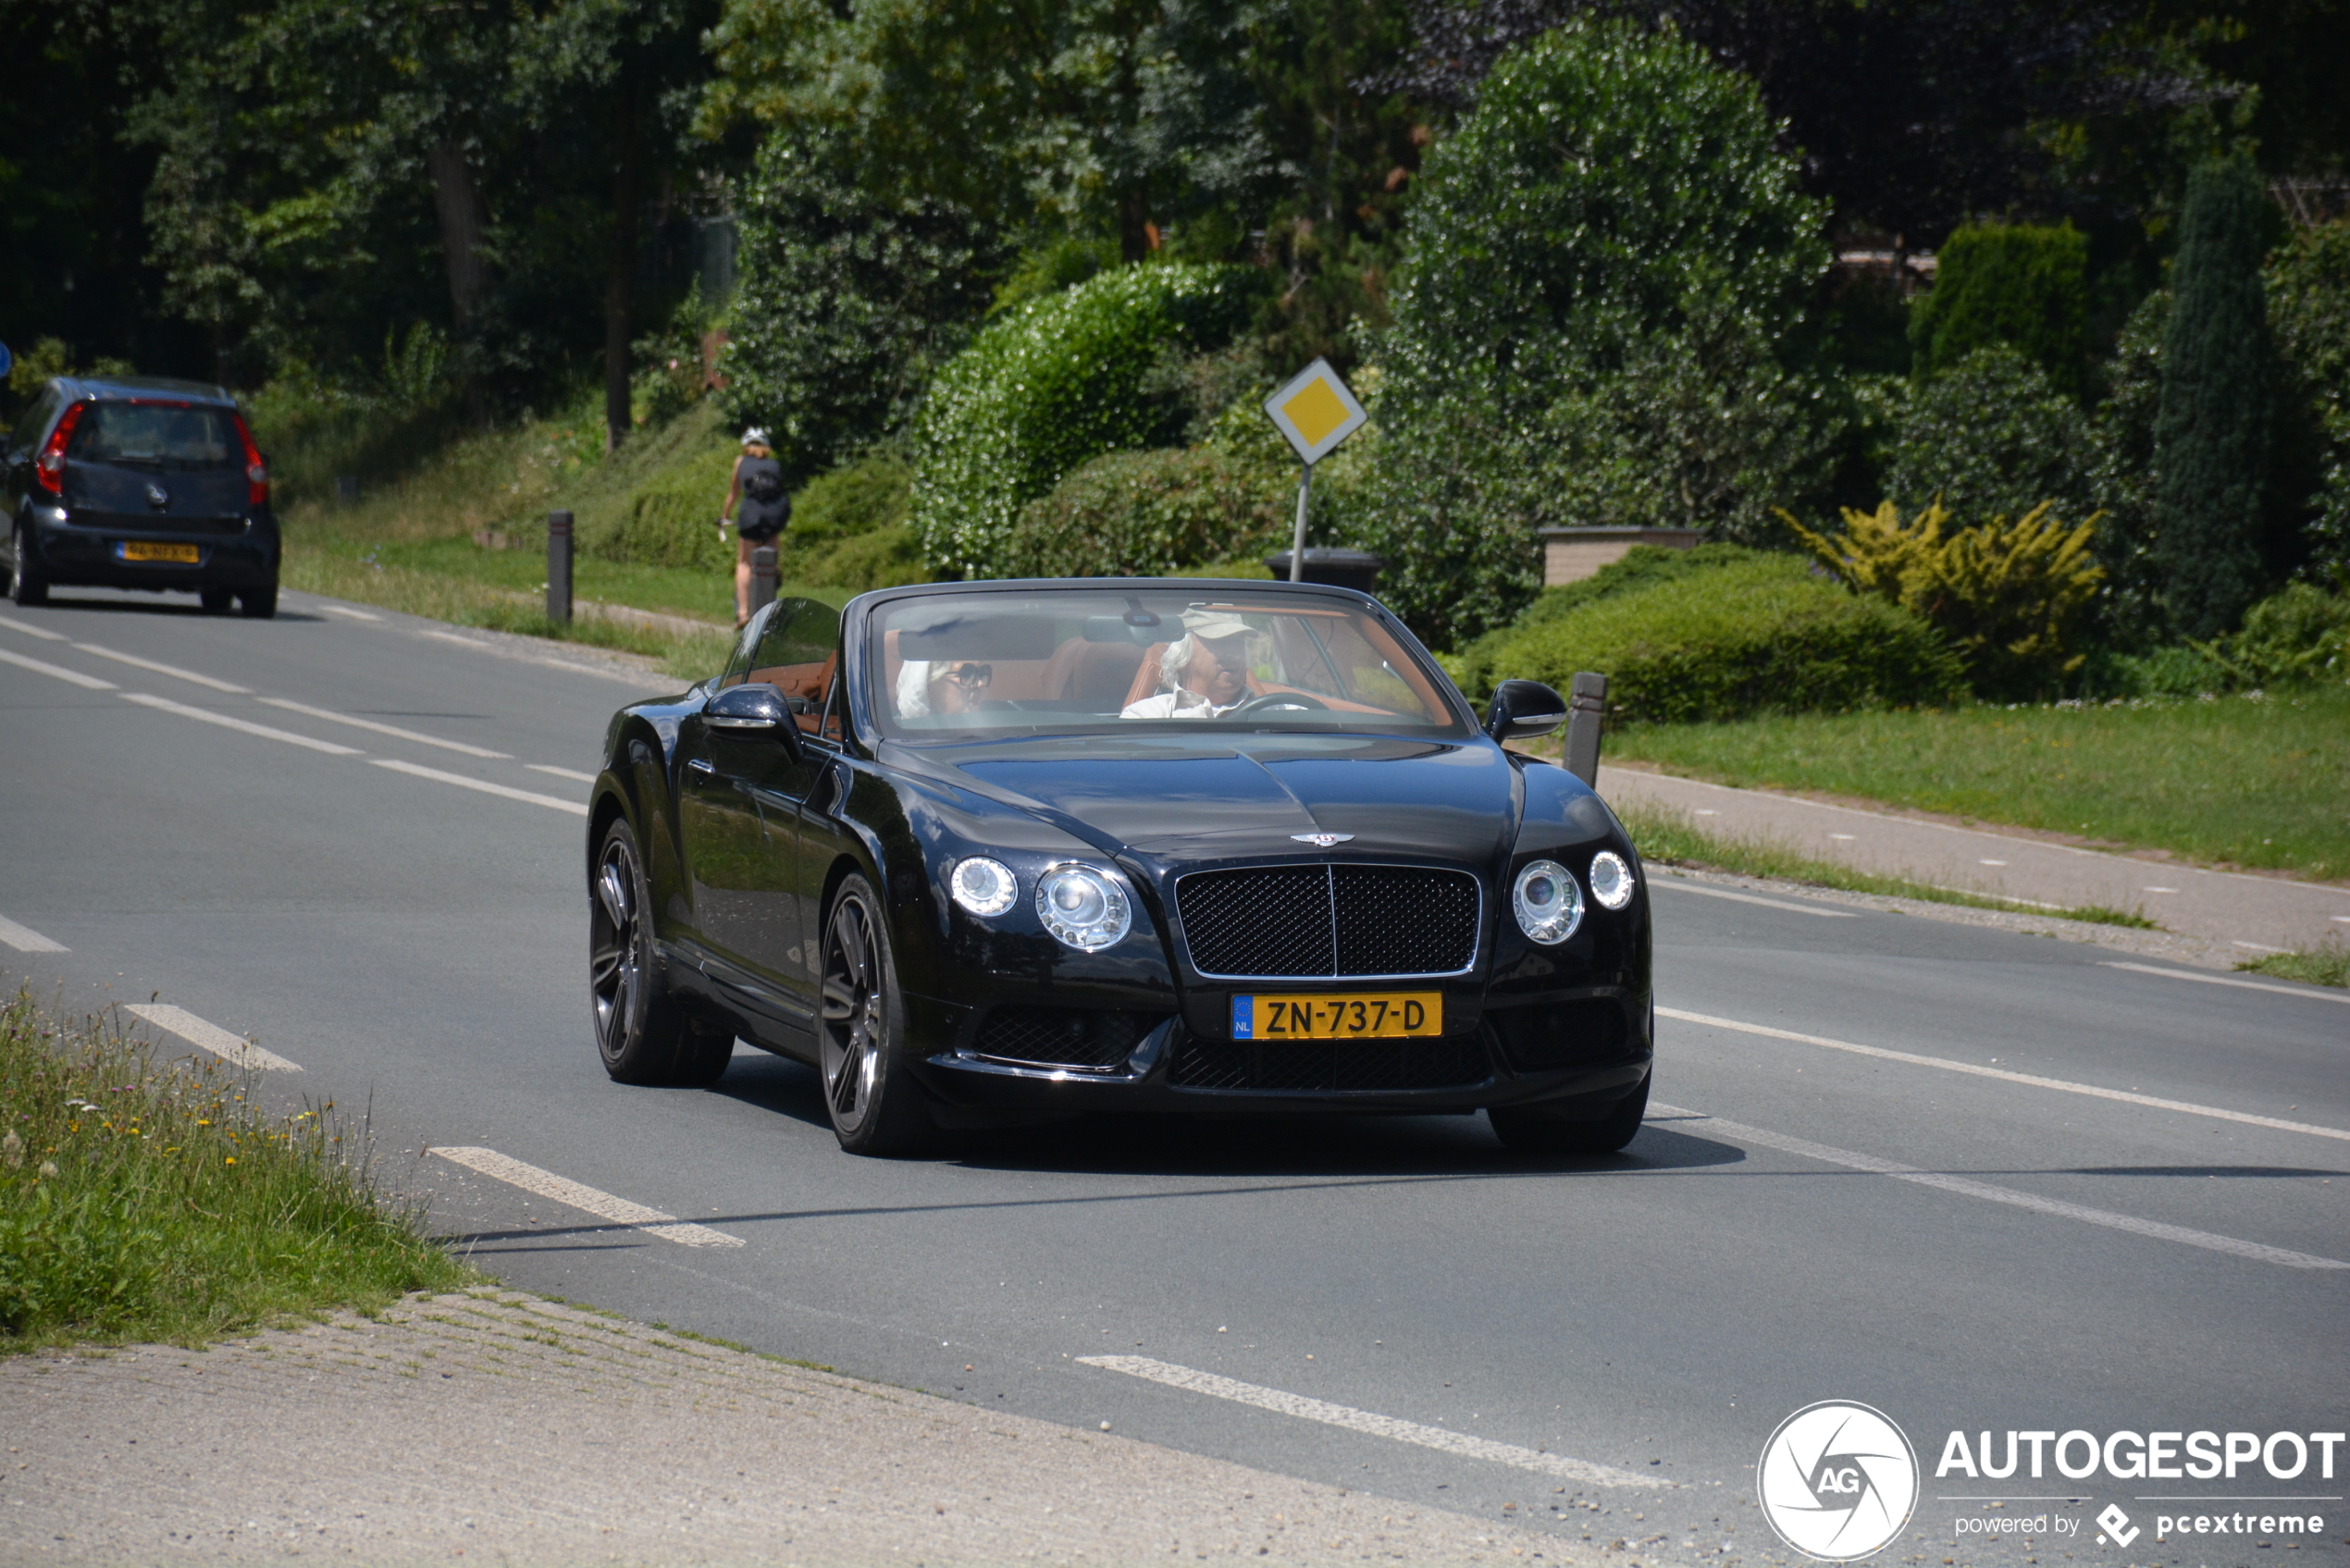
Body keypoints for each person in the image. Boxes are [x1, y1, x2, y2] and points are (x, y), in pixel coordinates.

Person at [1119, 611, 1259, 718]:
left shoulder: (1275, 712)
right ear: (1182, 653)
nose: (1234, 653)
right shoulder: (1146, 717)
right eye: (1221, 642)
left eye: (1239, 642)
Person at [720, 427, 790, 628]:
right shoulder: (774, 464)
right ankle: (772, 583)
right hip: (775, 514)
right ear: (766, 448)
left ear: (745, 446)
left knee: (744, 563)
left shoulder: (740, 462)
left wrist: (724, 517)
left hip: (751, 514)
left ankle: (742, 614)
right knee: (771, 560)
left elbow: (733, 493)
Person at [894, 660, 991, 720]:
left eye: (982, 673)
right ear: (927, 687)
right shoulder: (902, 746)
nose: (980, 683)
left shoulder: (997, 735)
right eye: (966, 673)